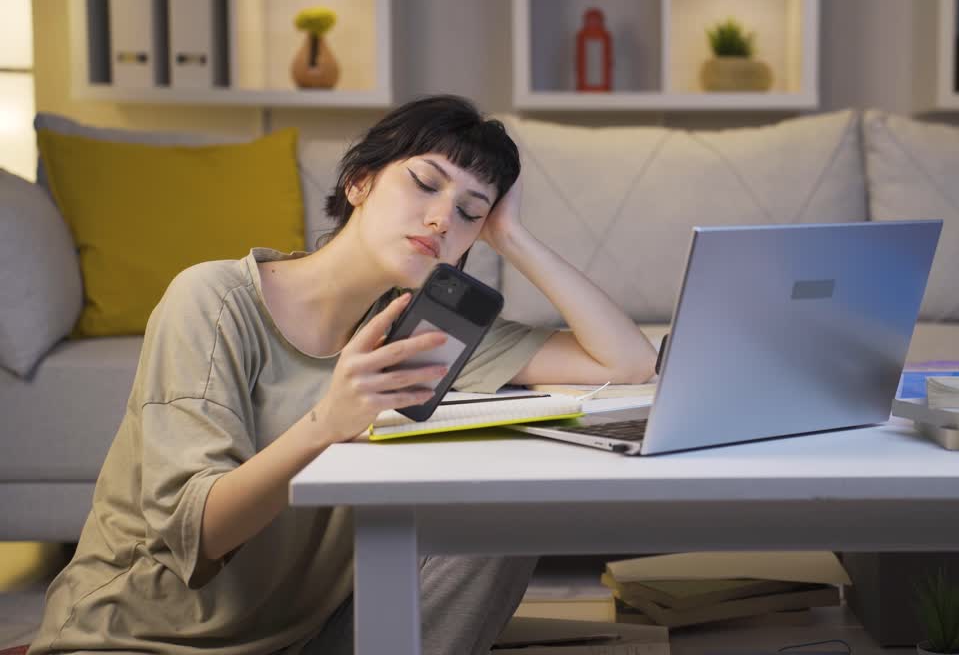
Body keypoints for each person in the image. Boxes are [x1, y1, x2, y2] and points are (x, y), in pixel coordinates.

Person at [28, 95, 658, 655]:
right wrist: (328, 423)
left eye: (471, 212)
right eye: (425, 184)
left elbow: (626, 363)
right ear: (359, 183)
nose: (443, 219)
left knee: (506, 517)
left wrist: (514, 237)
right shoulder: (215, 300)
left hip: (305, 637)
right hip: (145, 637)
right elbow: (200, 533)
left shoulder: (418, 328)